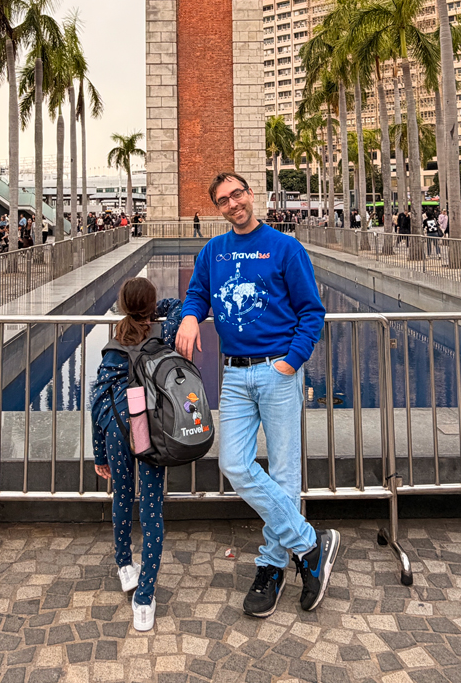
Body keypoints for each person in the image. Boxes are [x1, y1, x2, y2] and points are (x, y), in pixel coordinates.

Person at [175, 171, 339, 618]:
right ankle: (310, 545)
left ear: (251, 195)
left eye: (237, 194)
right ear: (218, 208)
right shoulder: (213, 251)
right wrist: (189, 317)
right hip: (234, 375)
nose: (233, 204)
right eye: (223, 200)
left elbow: (312, 311)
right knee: (233, 464)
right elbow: (197, 294)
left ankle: (271, 565)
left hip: (277, 371)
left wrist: (292, 361)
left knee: (284, 474)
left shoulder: (285, 248)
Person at [90, 276, 167, 632]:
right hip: (147, 430)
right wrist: (159, 310)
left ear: (122, 306)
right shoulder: (161, 337)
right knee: (151, 509)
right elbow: (180, 308)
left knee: (122, 496)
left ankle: (124, 566)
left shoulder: (113, 346)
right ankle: (144, 598)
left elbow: (98, 401)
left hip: (117, 429)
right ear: (151, 308)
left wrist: (99, 454)